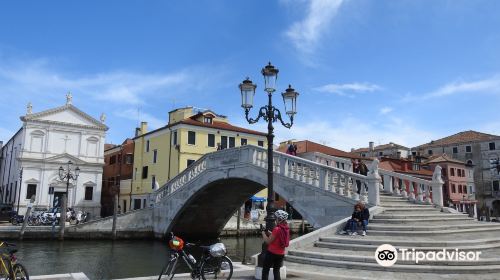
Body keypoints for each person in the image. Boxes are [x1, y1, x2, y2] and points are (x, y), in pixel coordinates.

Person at [261, 210, 290, 280]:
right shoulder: (286, 229)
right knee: (276, 271)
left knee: (265, 271)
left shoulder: (277, 229)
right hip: (281, 254)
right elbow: (279, 238)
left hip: (271, 253)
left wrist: (263, 233)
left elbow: (268, 241)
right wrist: (271, 233)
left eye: (276, 218)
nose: (275, 220)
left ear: (279, 219)